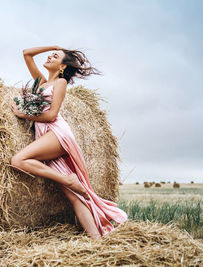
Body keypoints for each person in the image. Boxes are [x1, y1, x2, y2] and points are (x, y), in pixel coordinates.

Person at [10, 45, 127, 240]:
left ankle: (68, 179)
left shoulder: (61, 83)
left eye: (55, 56)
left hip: (56, 133)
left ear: (63, 66)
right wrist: (53, 47)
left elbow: (52, 115)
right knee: (74, 196)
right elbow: (26, 54)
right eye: (50, 55)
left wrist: (23, 114)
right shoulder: (41, 83)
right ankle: (97, 240)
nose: (49, 57)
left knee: (18, 161)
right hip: (45, 136)